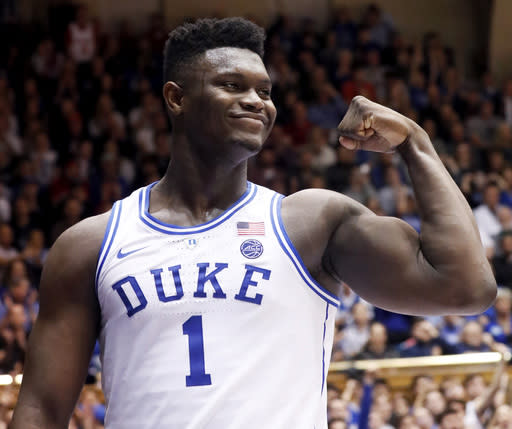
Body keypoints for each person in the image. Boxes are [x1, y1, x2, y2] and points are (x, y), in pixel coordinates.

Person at [11, 17, 496, 428]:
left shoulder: (311, 222)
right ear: (176, 98)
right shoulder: (91, 244)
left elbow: (465, 287)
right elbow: (42, 406)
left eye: (264, 90)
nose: (256, 101)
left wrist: (414, 142)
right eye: (231, 85)